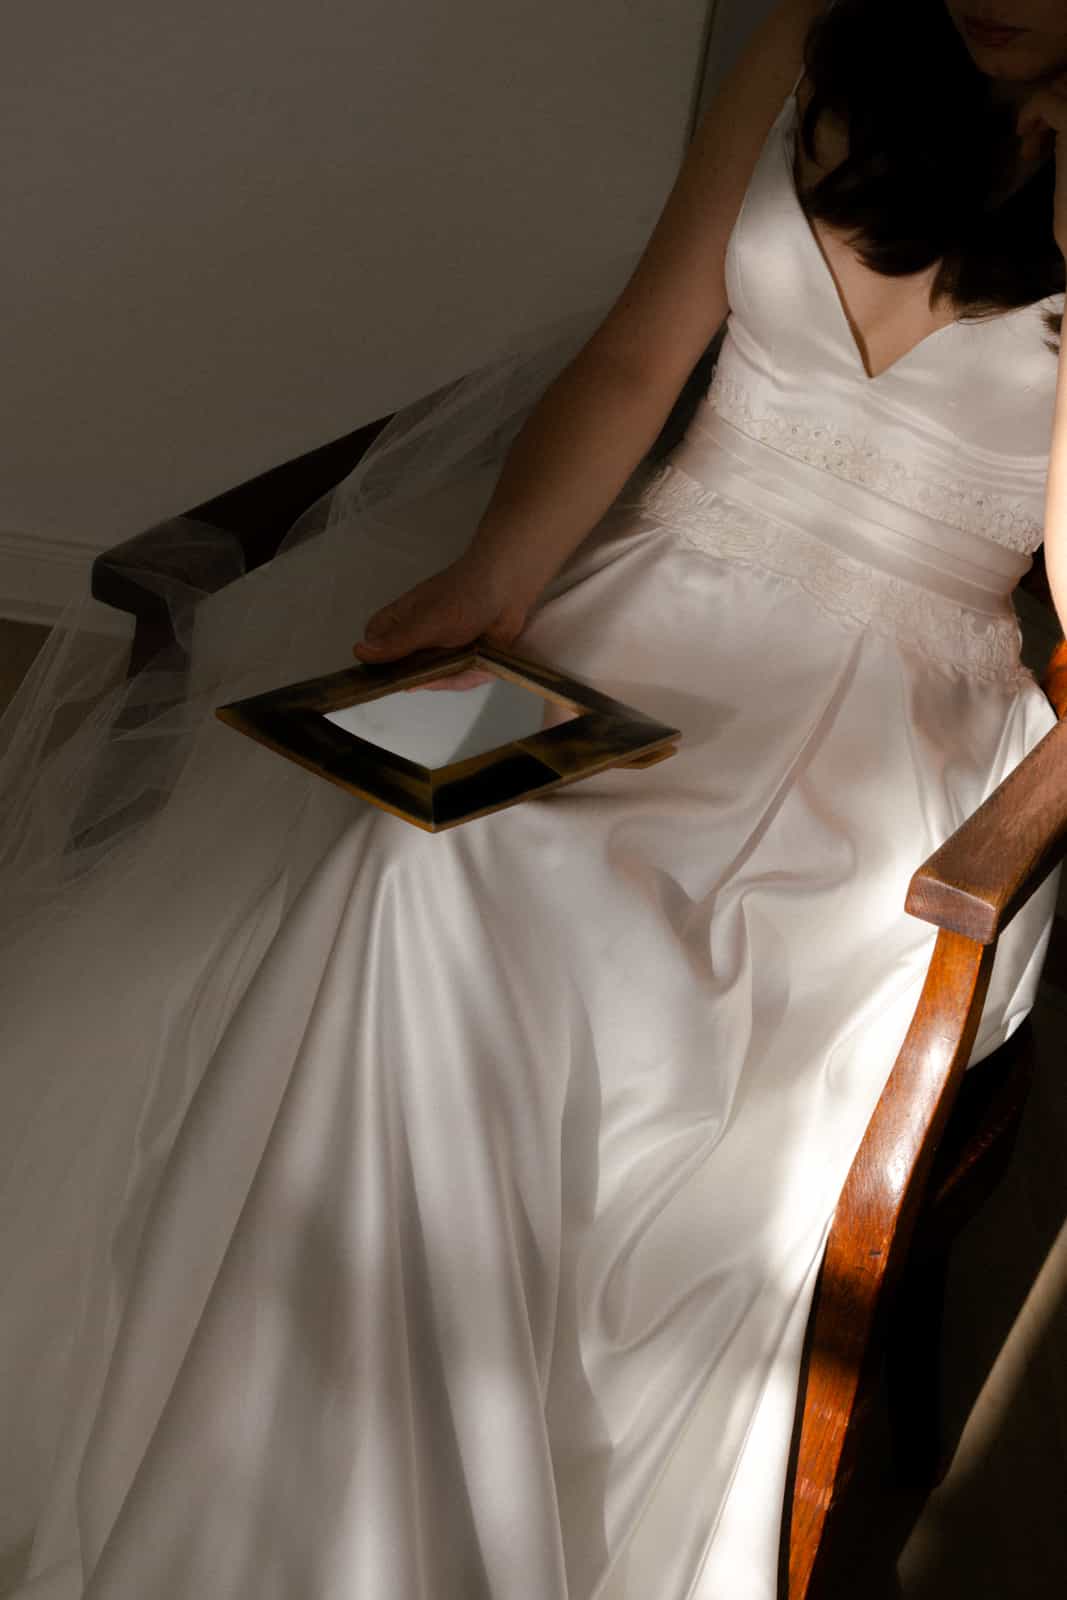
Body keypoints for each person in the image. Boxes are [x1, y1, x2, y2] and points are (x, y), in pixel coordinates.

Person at [2, 1, 1066, 1595]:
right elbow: (644, 353)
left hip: (902, 704)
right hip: (647, 610)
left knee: (602, 951)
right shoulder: (809, 43)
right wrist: (493, 574)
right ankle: (288, 1511)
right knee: (422, 872)